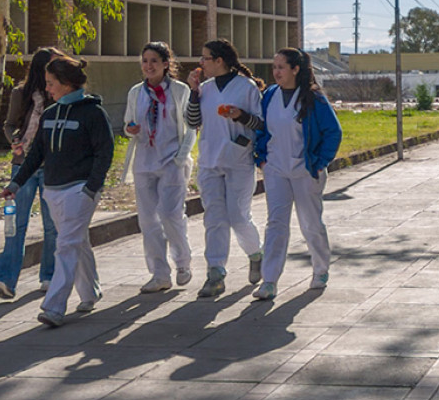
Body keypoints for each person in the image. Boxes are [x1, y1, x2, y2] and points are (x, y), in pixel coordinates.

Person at [4, 55, 114, 327]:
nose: (47, 88)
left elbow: (105, 153)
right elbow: (36, 154)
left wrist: (91, 188)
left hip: (80, 191)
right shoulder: (50, 114)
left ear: (66, 84)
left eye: (51, 83)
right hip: (52, 191)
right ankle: (90, 292)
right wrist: (16, 182)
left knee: (65, 245)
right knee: (76, 241)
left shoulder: (94, 113)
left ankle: (54, 306)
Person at [251, 49, 342, 300]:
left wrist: (319, 163)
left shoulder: (313, 99)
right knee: (276, 224)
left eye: (281, 67)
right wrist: (262, 159)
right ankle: (269, 280)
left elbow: (333, 132)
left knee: (310, 223)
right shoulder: (269, 95)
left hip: (306, 171)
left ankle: (320, 269)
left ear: (296, 69)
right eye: (274, 67)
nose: (276, 72)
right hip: (276, 169)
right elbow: (261, 128)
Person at [186, 39, 264, 297]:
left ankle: (256, 254)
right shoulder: (204, 89)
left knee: (238, 216)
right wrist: (194, 93)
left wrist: (239, 115)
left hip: (238, 160)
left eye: (205, 58)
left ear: (219, 61)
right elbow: (192, 121)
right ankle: (215, 273)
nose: (201, 63)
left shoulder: (246, 87)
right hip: (210, 160)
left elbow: (261, 124)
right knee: (214, 219)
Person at [0, 47, 64, 300]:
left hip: (51, 167)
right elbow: (9, 125)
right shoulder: (21, 94)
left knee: (51, 226)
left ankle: (49, 277)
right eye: (53, 66)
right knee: (15, 224)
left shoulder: (61, 95)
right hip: (22, 167)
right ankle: (5, 281)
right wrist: (15, 139)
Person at [121, 42, 196, 294]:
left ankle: (183, 262)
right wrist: (130, 129)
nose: (148, 66)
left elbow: (191, 127)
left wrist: (180, 157)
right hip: (144, 162)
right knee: (148, 220)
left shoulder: (179, 90)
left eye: (154, 60)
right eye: (144, 61)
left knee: (170, 214)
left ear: (166, 64)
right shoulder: (135, 92)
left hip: (171, 161)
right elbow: (127, 123)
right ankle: (159, 273)